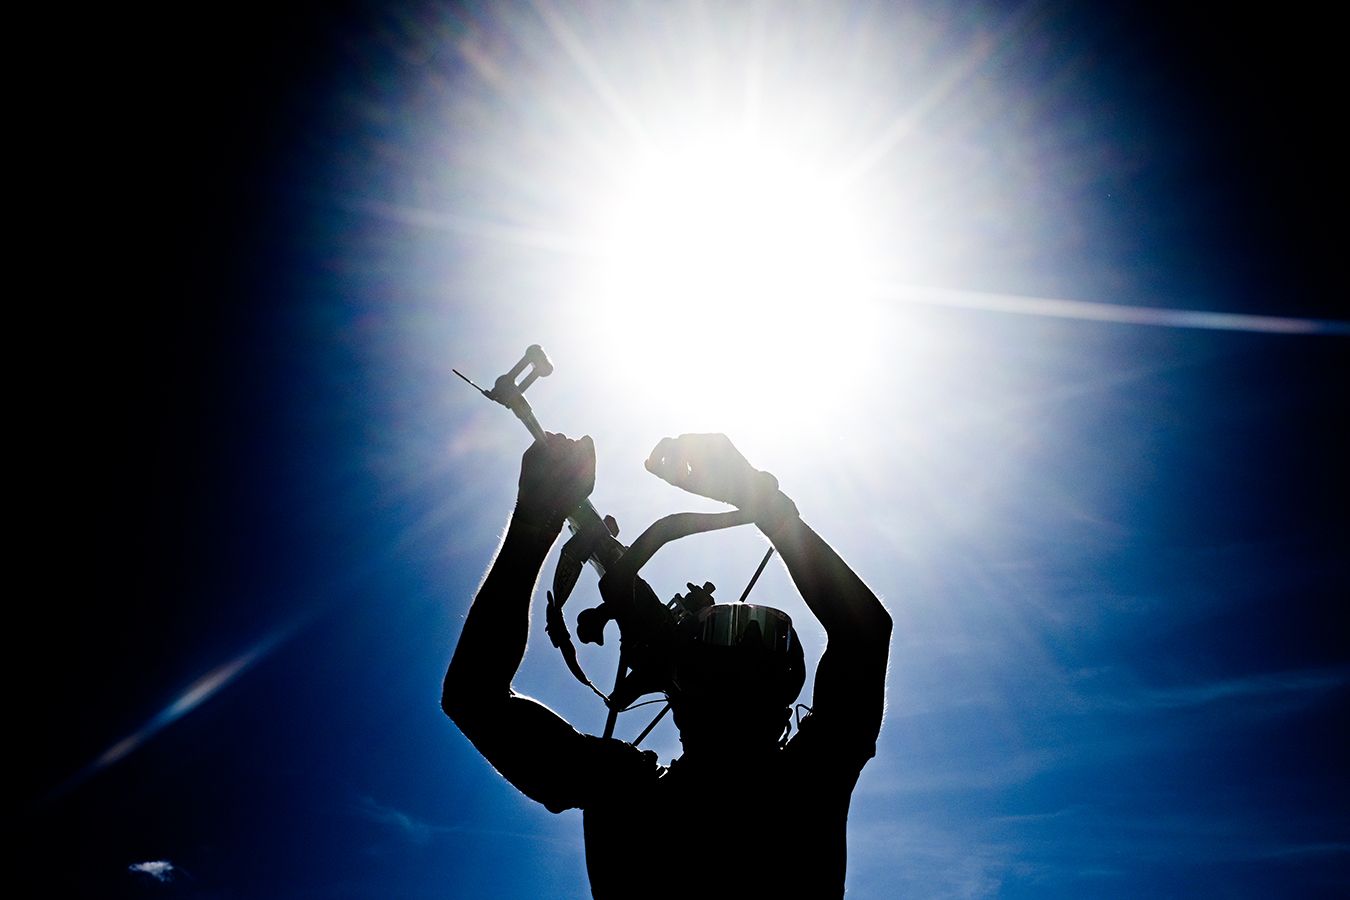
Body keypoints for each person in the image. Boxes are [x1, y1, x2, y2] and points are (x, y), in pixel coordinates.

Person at [443, 432, 891, 898]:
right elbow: (864, 634)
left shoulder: (624, 793)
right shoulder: (809, 784)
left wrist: (533, 523)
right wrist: (767, 510)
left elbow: (474, 697)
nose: (745, 647)